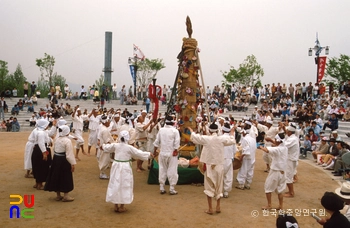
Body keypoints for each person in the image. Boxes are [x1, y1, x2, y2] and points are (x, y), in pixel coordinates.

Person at [189, 123, 236, 215]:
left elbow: (195, 137)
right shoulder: (221, 139)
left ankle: (211, 208)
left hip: (211, 166)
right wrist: (232, 133)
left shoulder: (207, 139)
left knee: (209, 186)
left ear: (209, 131)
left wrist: (191, 131)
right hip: (218, 165)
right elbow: (232, 140)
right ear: (218, 130)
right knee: (219, 186)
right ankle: (218, 206)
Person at [101, 130, 152, 213]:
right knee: (124, 184)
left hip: (116, 166)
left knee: (115, 183)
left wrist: (102, 146)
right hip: (125, 167)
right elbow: (139, 153)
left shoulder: (116, 145)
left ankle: (116, 205)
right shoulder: (129, 147)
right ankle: (121, 206)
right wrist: (149, 154)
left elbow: (106, 147)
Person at [45, 125, 76, 202]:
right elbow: (69, 154)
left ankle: (58, 195)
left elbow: (54, 149)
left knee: (56, 175)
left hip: (56, 158)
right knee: (65, 176)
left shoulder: (56, 139)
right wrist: (72, 163)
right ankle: (66, 196)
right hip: (64, 160)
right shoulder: (67, 141)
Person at [153, 116, 180, 195]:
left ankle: (162, 187)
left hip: (162, 152)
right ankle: (171, 188)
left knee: (162, 169)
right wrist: (175, 150)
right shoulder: (175, 131)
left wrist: (154, 152)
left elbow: (156, 142)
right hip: (172, 153)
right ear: (172, 123)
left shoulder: (161, 130)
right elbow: (176, 143)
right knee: (172, 170)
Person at [260, 133, 288, 210]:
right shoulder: (284, 147)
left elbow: (267, 150)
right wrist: (271, 140)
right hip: (283, 171)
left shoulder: (277, 149)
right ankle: (281, 206)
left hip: (276, 171)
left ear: (278, 141)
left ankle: (269, 205)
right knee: (280, 189)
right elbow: (277, 144)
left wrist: (261, 147)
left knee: (268, 187)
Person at [31, 119, 52, 190]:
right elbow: (41, 143)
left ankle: (37, 183)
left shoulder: (39, 131)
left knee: (37, 166)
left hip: (37, 149)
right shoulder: (41, 133)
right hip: (41, 150)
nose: (48, 126)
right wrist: (44, 153)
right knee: (41, 166)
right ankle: (40, 184)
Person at [236, 124, 257, 190]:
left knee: (243, 170)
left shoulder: (245, 139)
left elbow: (246, 149)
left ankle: (241, 184)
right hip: (252, 157)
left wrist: (241, 157)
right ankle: (248, 184)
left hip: (247, 158)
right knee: (250, 171)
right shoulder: (253, 139)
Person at [282, 124, 299, 198]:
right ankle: (290, 191)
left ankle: (291, 192)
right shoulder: (291, 137)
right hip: (290, 158)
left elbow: (284, 145)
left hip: (291, 159)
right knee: (288, 175)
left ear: (290, 132)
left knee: (288, 175)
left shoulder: (293, 139)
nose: (286, 132)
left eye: (287, 131)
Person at [222, 122, 237, 198]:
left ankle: (218, 191)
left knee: (219, 175)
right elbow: (235, 150)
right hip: (229, 159)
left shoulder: (220, 138)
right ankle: (226, 192)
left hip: (221, 159)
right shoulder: (232, 139)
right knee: (228, 176)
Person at [97, 115, 114, 179]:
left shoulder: (103, 128)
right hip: (105, 148)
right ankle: (102, 174)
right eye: (108, 121)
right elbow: (107, 141)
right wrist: (113, 145)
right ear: (106, 122)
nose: (109, 122)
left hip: (103, 147)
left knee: (104, 159)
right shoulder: (104, 130)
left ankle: (102, 173)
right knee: (104, 160)